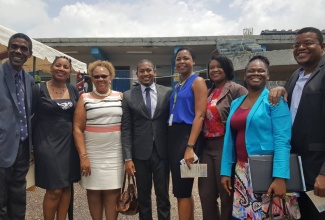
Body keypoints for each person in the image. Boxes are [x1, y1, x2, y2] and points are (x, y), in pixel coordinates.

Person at [220, 55, 299, 219]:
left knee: (270, 215)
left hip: (267, 171)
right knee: (247, 216)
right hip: (242, 170)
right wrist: (225, 171)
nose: (256, 73)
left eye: (261, 70)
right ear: (245, 75)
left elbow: (282, 141)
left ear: (268, 76)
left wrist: (280, 177)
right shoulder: (236, 102)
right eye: (251, 70)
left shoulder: (274, 100)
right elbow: (229, 140)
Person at [269, 27, 325, 220]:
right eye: (297, 44)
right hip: (296, 166)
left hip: (317, 168)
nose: (301, 47)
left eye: (308, 43)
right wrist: (279, 88)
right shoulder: (296, 75)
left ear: (322, 46)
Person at [198, 54, 247, 220]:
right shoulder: (208, 91)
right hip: (206, 147)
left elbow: (247, 115)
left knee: (226, 193)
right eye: (211, 67)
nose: (214, 70)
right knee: (205, 194)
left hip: (225, 146)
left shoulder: (237, 89)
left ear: (227, 69)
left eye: (219, 66)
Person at [122, 59, 171, 220]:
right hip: (139, 155)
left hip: (162, 153)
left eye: (148, 70)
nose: (145, 73)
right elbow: (127, 128)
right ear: (136, 74)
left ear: (154, 72)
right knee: (143, 197)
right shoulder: (128, 96)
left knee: (163, 196)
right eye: (142, 71)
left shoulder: (167, 92)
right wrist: (128, 157)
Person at [73, 60, 123, 220]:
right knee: (93, 191)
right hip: (92, 155)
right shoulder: (84, 98)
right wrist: (83, 157)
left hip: (115, 155)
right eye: (96, 76)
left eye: (104, 76)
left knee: (113, 191)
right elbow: (77, 129)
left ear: (111, 77)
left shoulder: (120, 97)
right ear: (92, 78)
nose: (100, 79)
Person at [32, 56, 80, 220]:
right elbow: (29, 117)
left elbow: (80, 117)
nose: (61, 69)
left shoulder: (73, 90)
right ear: (51, 68)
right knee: (54, 190)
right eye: (58, 65)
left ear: (70, 71)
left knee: (66, 187)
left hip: (70, 145)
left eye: (65, 66)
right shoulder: (38, 89)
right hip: (47, 144)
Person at [168, 47, 208, 220]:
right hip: (175, 137)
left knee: (181, 190)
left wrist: (190, 146)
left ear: (194, 62)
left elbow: (200, 115)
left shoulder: (197, 81)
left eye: (186, 58)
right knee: (184, 188)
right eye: (178, 59)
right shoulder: (178, 85)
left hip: (188, 137)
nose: (181, 62)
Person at [0, 33, 35, 219]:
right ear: (8, 49)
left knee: (18, 197)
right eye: (14, 46)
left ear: (29, 54)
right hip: (2, 146)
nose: (18, 51)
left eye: (23, 48)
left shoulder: (28, 80)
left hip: (22, 147)